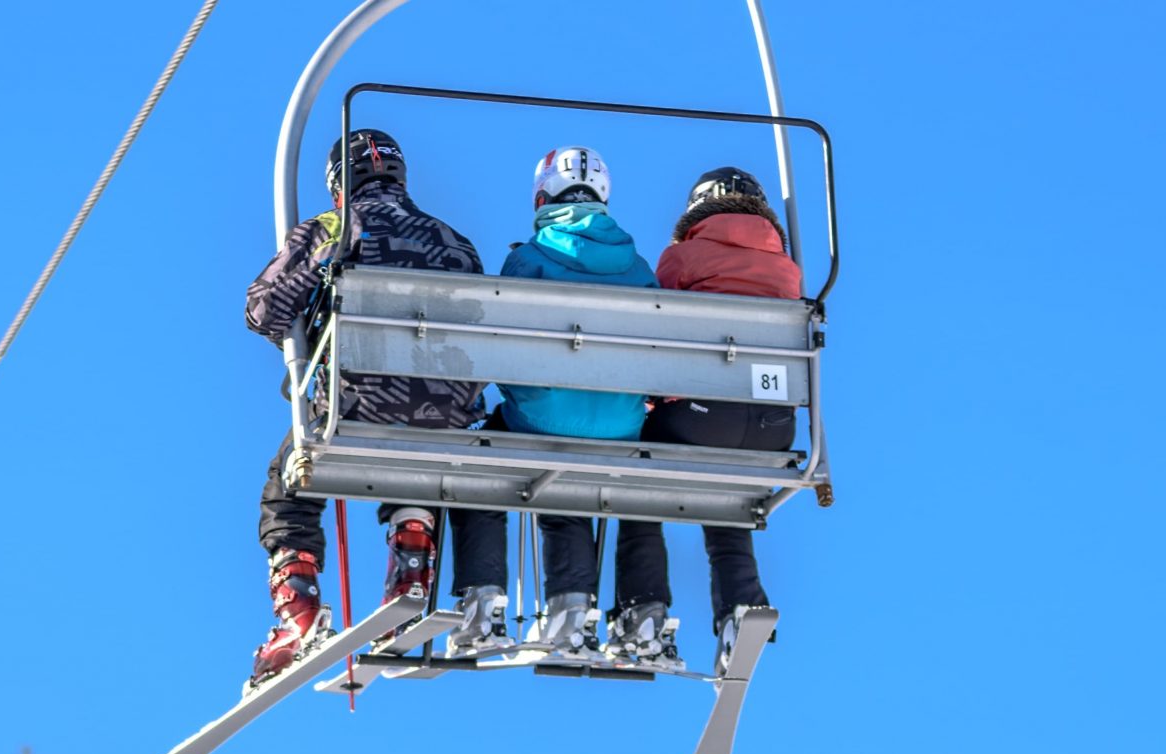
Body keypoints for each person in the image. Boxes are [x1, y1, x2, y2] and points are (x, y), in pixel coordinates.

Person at [244, 127, 509, 686]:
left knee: (287, 486)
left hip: (358, 405)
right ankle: (411, 562)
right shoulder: (454, 241)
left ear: (340, 184)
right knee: (415, 448)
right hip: (447, 413)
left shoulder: (335, 229)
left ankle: (299, 614)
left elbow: (264, 309)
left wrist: (304, 325)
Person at [615, 167, 806, 672]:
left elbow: (660, 331)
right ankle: (741, 605)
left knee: (635, 484)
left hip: (698, 416)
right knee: (728, 501)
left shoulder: (683, 258)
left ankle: (643, 608)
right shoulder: (789, 270)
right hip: (773, 425)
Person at [489, 147, 669, 663]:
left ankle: (568, 609)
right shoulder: (638, 268)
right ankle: (645, 613)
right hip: (622, 424)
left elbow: (501, 342)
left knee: (537, 463)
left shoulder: (527, 258)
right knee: (633, 486)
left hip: (544, 417)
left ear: (542, 198)